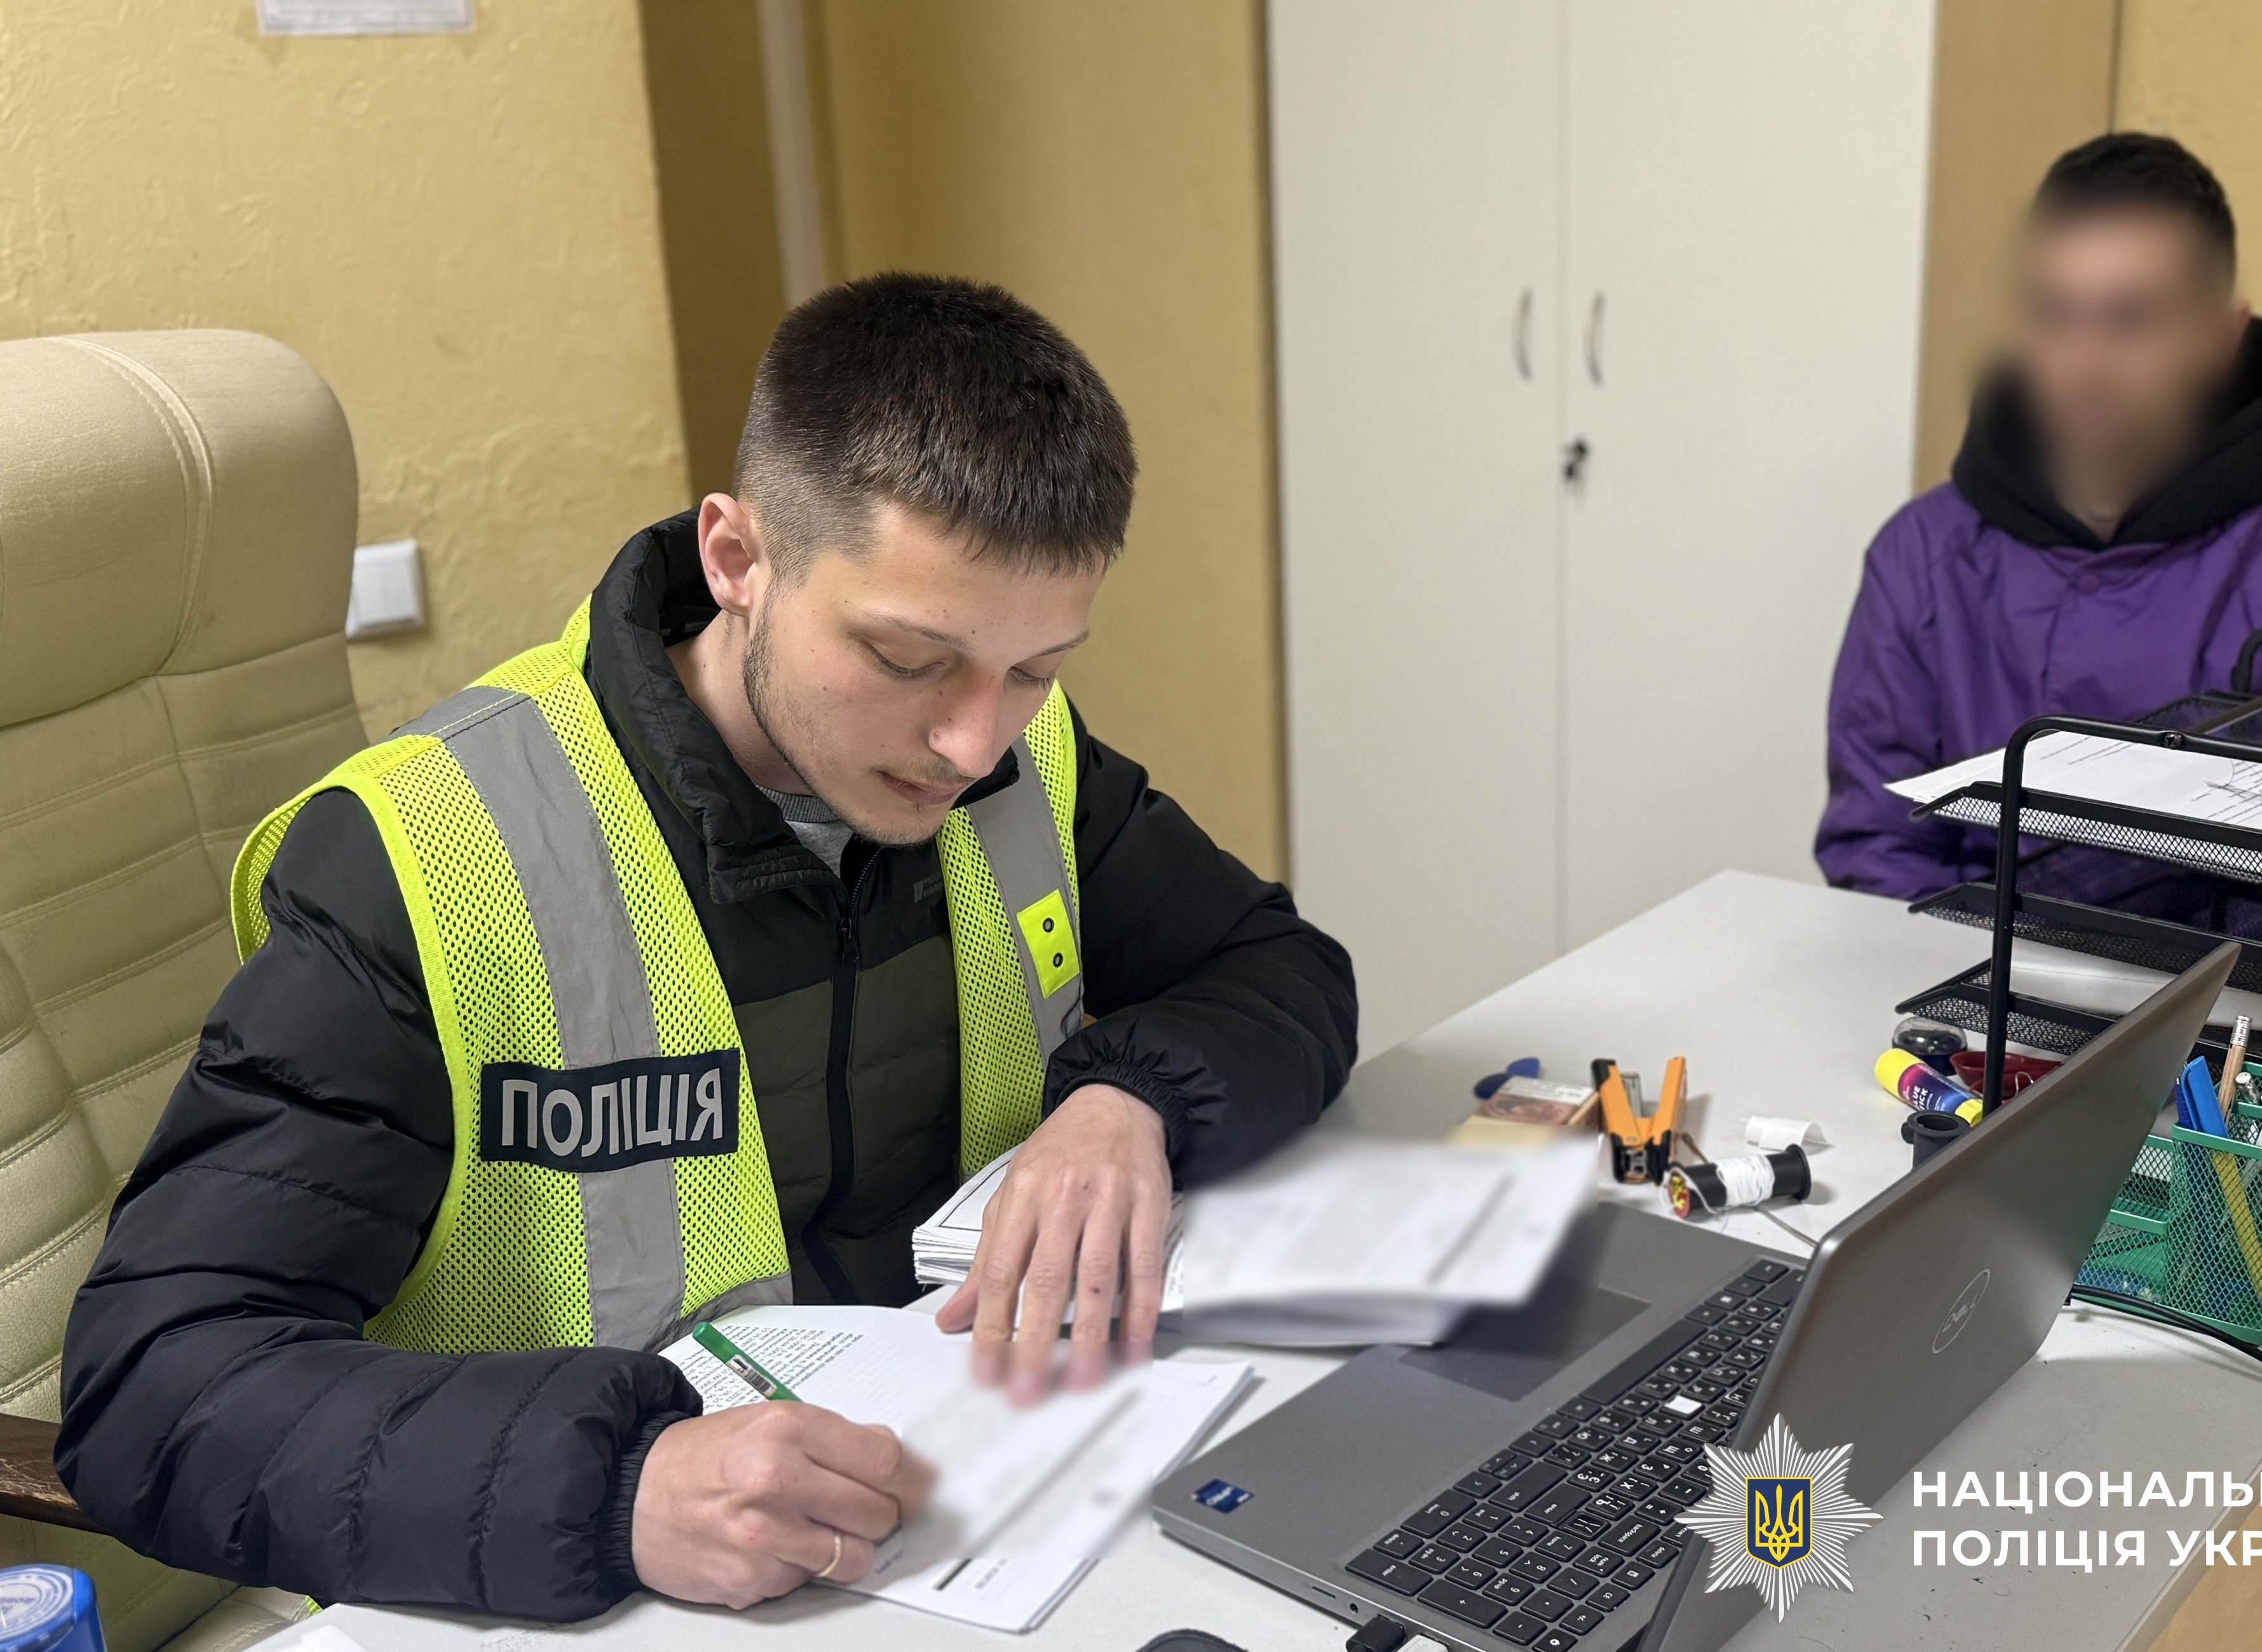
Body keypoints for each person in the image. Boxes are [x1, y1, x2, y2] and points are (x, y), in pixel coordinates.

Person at [55, 274, 1356, 1619]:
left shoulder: (1028, 769)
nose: (974, 744)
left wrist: (1128, 1100)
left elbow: (1282, 970)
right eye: (908, 659)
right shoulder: (429, 858)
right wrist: (618, 1488)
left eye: (1032, 669)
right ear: (736, 559)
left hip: (980, 1521)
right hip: (599, 1594)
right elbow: (157, 1382)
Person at [1817, 133, 2262, 902]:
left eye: (2131, 320)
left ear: (2221, 338)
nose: (2084, 365)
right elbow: (1880, 849)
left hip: (2228, 982)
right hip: (1959, 970)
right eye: (2054, 315)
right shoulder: (1922, 555)